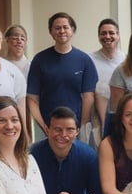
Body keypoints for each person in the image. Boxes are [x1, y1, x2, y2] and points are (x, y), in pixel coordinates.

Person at [27, 12, 98, 140]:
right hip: (47, 127)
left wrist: (81, 126)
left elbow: (88, 97)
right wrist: (43, 126)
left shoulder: (84, 60)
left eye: (65, 27)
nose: (62, 31)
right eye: (57, 28)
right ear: (51, 32)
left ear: (73, 30)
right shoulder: (39, 60)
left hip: (74, 128)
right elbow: (32, 99)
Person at [89, 18, 125, 144]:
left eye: (111, 33)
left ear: (118, 35)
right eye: (103, 33)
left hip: (122, 114)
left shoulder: (126, 60)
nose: (107, 36)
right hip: (96, 117)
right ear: (98, 36)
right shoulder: (89, 60)